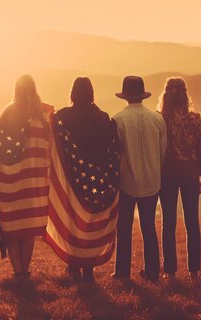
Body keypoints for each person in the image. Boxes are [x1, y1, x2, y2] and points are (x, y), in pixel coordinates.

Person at [54, 77, 118, 282]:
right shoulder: (103, 117)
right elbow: (110, 147)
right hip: (96, 179)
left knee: (73, 221)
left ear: (72, 93)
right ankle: (89, 267)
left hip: (72, 178)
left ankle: (73, 264)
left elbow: (53, 133)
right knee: (91, 222)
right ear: (91, 93)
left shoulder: (63, 117)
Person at [112, 76, 167, 283]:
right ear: (142, 95)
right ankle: (152, 272)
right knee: (149, 226)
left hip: (126, 182)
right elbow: (163, 153)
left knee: (124, 228)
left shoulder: (118, 120)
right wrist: (156, 172)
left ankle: (122, 272)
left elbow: (115, 154)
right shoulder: (157, 119)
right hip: (152, 181)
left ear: (125, 96)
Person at [0, 74, 50, 280]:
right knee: (28, 228)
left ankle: (17, 270)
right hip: (33, 182)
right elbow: (49, 147)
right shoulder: (42, 115)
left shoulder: (8, 111)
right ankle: (25, 270)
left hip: (9, 179)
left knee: (11, 226)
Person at [157, 77, 201, 281]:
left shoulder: (161, 119)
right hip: (190, 173)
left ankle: (170, 270)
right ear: (185, 94)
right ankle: (194, 270)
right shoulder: (195, 119)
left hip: (168, 174)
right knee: (192, 222)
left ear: (166, 95)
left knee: (168, 223)